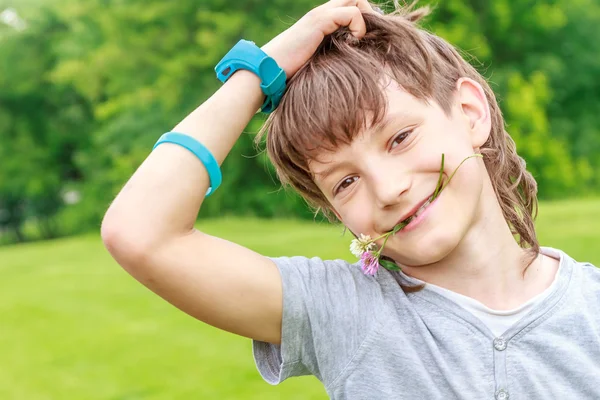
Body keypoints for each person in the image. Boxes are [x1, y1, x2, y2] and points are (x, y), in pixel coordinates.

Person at [100, 1, 600, 398]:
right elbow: (141, 232)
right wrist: (259, 69)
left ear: (469, 112)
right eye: (345, 182)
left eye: (400, 137)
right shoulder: (341, 312)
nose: (387, 189)